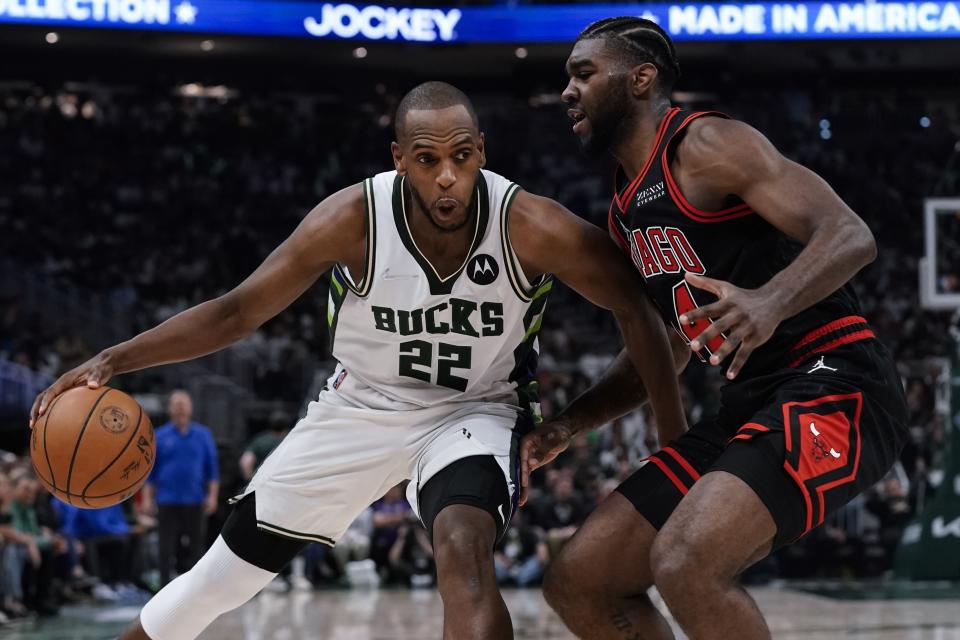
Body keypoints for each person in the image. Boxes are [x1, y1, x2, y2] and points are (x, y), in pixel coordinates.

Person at [30, 81, 686, 640]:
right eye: (428, 160)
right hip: (358, 406)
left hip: (475, 412)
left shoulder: (530, 225)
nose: (448, 175)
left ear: (482, 150)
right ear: (400, 160)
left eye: (462, 156)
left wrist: (658, 441)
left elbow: (645, 315)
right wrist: (114, 360)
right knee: (217, 581)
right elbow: (236, 313)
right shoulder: (351, 219)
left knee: (462, 545)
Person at [523, 17, 909, 640]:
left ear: (641, 78)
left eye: (584, 73)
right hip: (750, 400)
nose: (567, 89)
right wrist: (571, 424)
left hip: (837, 379)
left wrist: (769, 301)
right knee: (580, 579)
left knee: (687, 564)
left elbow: (850, 234)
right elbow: (668, 347)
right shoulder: (625, 210)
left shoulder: (705, 145)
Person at [140, 390, 219, 586]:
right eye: (176, 403)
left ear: (191, 408)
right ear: (169, 409)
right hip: (167, 500)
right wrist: (148, 499)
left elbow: (212, 471)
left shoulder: (203, 435)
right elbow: (150, 473)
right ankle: (163, 588)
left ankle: (197, 588)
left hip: (195, 499)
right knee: (165, 548)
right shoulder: (159, 435)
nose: (180, 407)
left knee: (196, 548)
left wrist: (212, 497)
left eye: (184, 403)